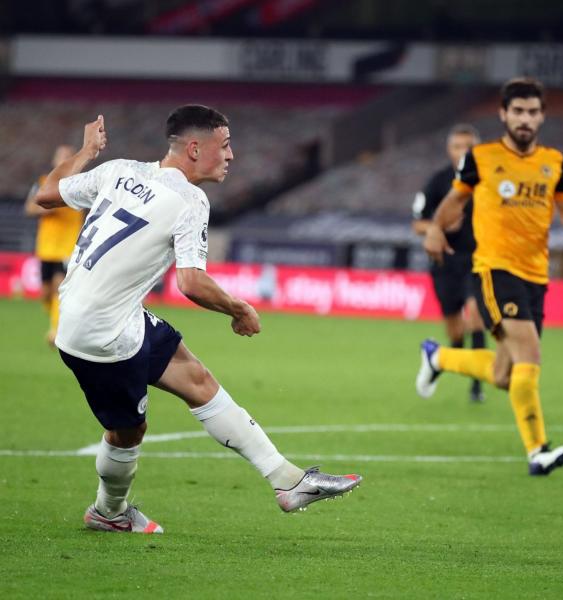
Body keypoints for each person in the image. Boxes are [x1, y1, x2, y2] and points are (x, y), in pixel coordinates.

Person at [32, 106, 362, 534]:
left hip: (103, 315)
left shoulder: (117, 170)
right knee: (126, 432)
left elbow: (47, 193)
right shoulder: (189, 200)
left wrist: (86, 151)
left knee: (197, 378)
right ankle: (108, 513)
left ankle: (289, 481)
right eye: (224, 145)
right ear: (194, 148)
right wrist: (239, 307)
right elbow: (190, 282)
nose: (231, 155)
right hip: (103, 336)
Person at [416, 77, 563, 476]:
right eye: (518, 111)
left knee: (505, 374)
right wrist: (434, 228)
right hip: (495, 270)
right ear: (503, 114)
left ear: (542, 116)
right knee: (530, 356)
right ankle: (538, 450)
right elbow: (454, 201)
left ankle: (439, 356)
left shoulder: (555, 162)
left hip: (537, 276)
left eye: (533, 112)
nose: (525, 118)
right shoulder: (481, 157)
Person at [412, 123, 487, 402]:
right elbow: (416, 224)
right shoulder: (437, 182)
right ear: (449, 150)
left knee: (476, 315)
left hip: (478, 260)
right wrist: (437, 227)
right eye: (458, 147)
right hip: (444, 262)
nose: (463, 152)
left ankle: (476, 388)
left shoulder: (487, 181)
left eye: (468, 147)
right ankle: (440, 361)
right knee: (455, 331)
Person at [23, 145, 86, 345]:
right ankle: (56, 321)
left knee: (60, 287)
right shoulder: (43, 183)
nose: (64, 160)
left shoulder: (80, 184)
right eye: (61, 157)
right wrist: (46, 209)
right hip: (46, 247)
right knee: (46, 293)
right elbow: (29, 209)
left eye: (68, 157)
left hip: (68, 247)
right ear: (54, 160)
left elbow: (85, 213)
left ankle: (56, 331)